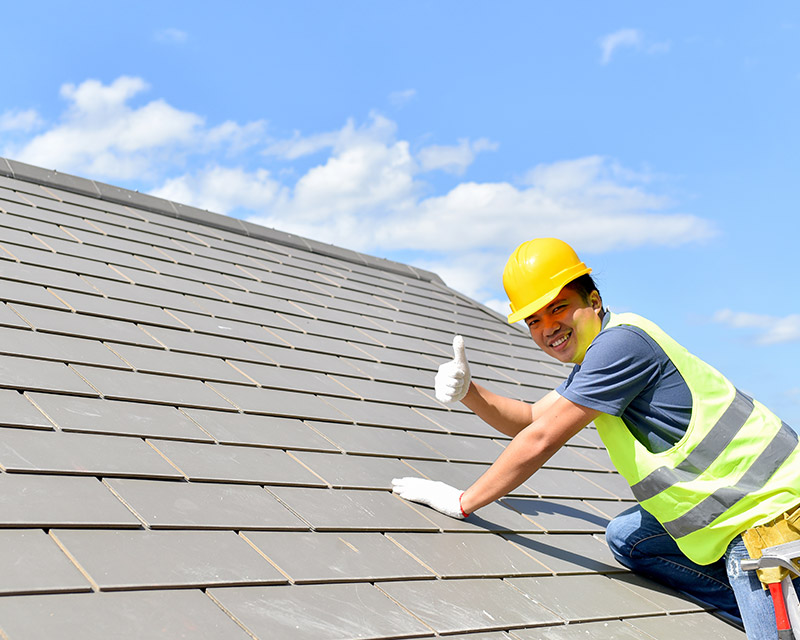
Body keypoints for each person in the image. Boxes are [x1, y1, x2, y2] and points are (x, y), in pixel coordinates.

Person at [392, 237, 800, 639]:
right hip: (734, 509)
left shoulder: (621, 345)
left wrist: (463, 502)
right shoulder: (598, 360)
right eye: (534, 320)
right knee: (628, 539)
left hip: (769, 516)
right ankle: (760, 610)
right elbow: (532, 418)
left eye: (558, 309)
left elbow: (541, 439)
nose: (548, 328)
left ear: (594, 301)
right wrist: (470, 392)